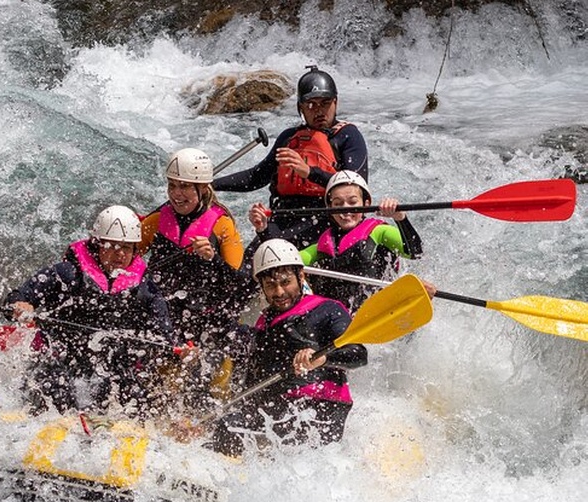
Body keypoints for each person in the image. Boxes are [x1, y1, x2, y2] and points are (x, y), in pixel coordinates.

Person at [2, 205, 180, 418]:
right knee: (56, 387)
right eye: (112, 246)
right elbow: (17, 297)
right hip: (60, 358)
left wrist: (180, 352)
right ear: (97, 245)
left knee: (133, 393)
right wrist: (21, 305)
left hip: (111, 366)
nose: (120, 254)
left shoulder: (145, 289)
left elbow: (165, 336)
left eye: (126, 247)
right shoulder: (66, 273)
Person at [209, 238, 367, 457]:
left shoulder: (328, 309)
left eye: (286, 282)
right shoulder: (264, 323)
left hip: (320, 408)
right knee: (227, 427)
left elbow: (358, 354)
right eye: (271, 286)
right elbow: (251, 379)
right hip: (278, 408)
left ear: (301, 277)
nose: (279, 292)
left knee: (234, 428)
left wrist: (323, 358)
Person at [138, 147, 255, 411]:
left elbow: (238, 283)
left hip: (211, 316)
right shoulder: (157, 220)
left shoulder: (222, 224)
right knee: (163, 388)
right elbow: (129, 259)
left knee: (211, 388)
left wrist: (212, 258)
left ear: (203, 189)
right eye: (172, 186)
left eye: (185, 187)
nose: (176, 194)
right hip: (167, 315)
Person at [212, 65, 369, 252]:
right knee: (249, 268)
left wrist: (309, 172)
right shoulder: (288, 138)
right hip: (283, 217)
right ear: (300, 107)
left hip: (326, 218)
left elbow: (356, 185)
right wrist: (212, 184)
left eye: (325, 103)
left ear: (335, 103)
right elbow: (257, 177)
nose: (319, 111)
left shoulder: (348, 136)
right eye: (311, 104)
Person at [250, 170, 423, 313]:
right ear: (330, 208)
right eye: (338, 203)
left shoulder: (379, 231)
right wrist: (263, 230)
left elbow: (415, 252)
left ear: (367, 203)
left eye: (353, 202)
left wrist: (400, 218)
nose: (345, 209)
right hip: (337, 318)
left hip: (376, 312)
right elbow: (282, 263)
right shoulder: (323, 243)